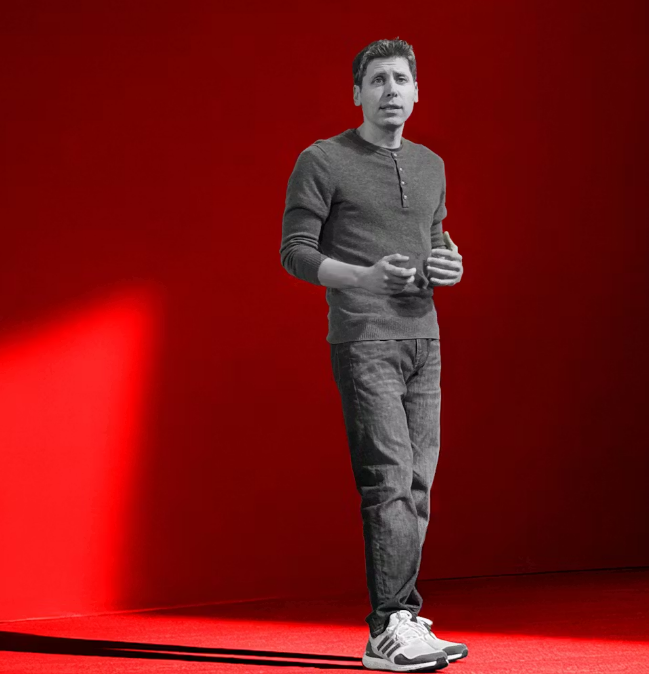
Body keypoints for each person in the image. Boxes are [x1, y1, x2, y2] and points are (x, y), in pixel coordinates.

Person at [280, 38, 467, 672]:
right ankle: (387, 626)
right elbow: (295, 251)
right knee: (387, 480)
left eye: (401, 80)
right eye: (378, 80)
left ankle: (404, 617)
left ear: (416, 93)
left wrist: (449, 265)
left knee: (417, 484)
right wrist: (362, 277)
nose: (391, 90)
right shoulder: (322, 159)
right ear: (357, 93)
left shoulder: (431, 165)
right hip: (364, 338)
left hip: (424, 339)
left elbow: (436, 239)